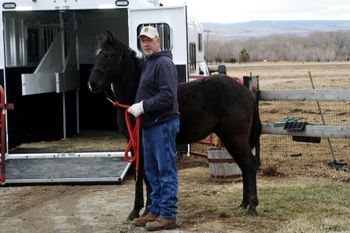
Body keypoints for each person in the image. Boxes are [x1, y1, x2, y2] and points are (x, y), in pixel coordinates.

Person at [127, 25, 180, 231]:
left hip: (163, 124)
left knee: (165, 170)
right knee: (152, 171)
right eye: (143, 40)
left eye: (149, 40)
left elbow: (168, 97)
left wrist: (143, 106)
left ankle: (168, 214)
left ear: (158, 40)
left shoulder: (164, 64)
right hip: (150, 125)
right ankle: (155, 210)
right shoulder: (149, 63)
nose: (146, 44)